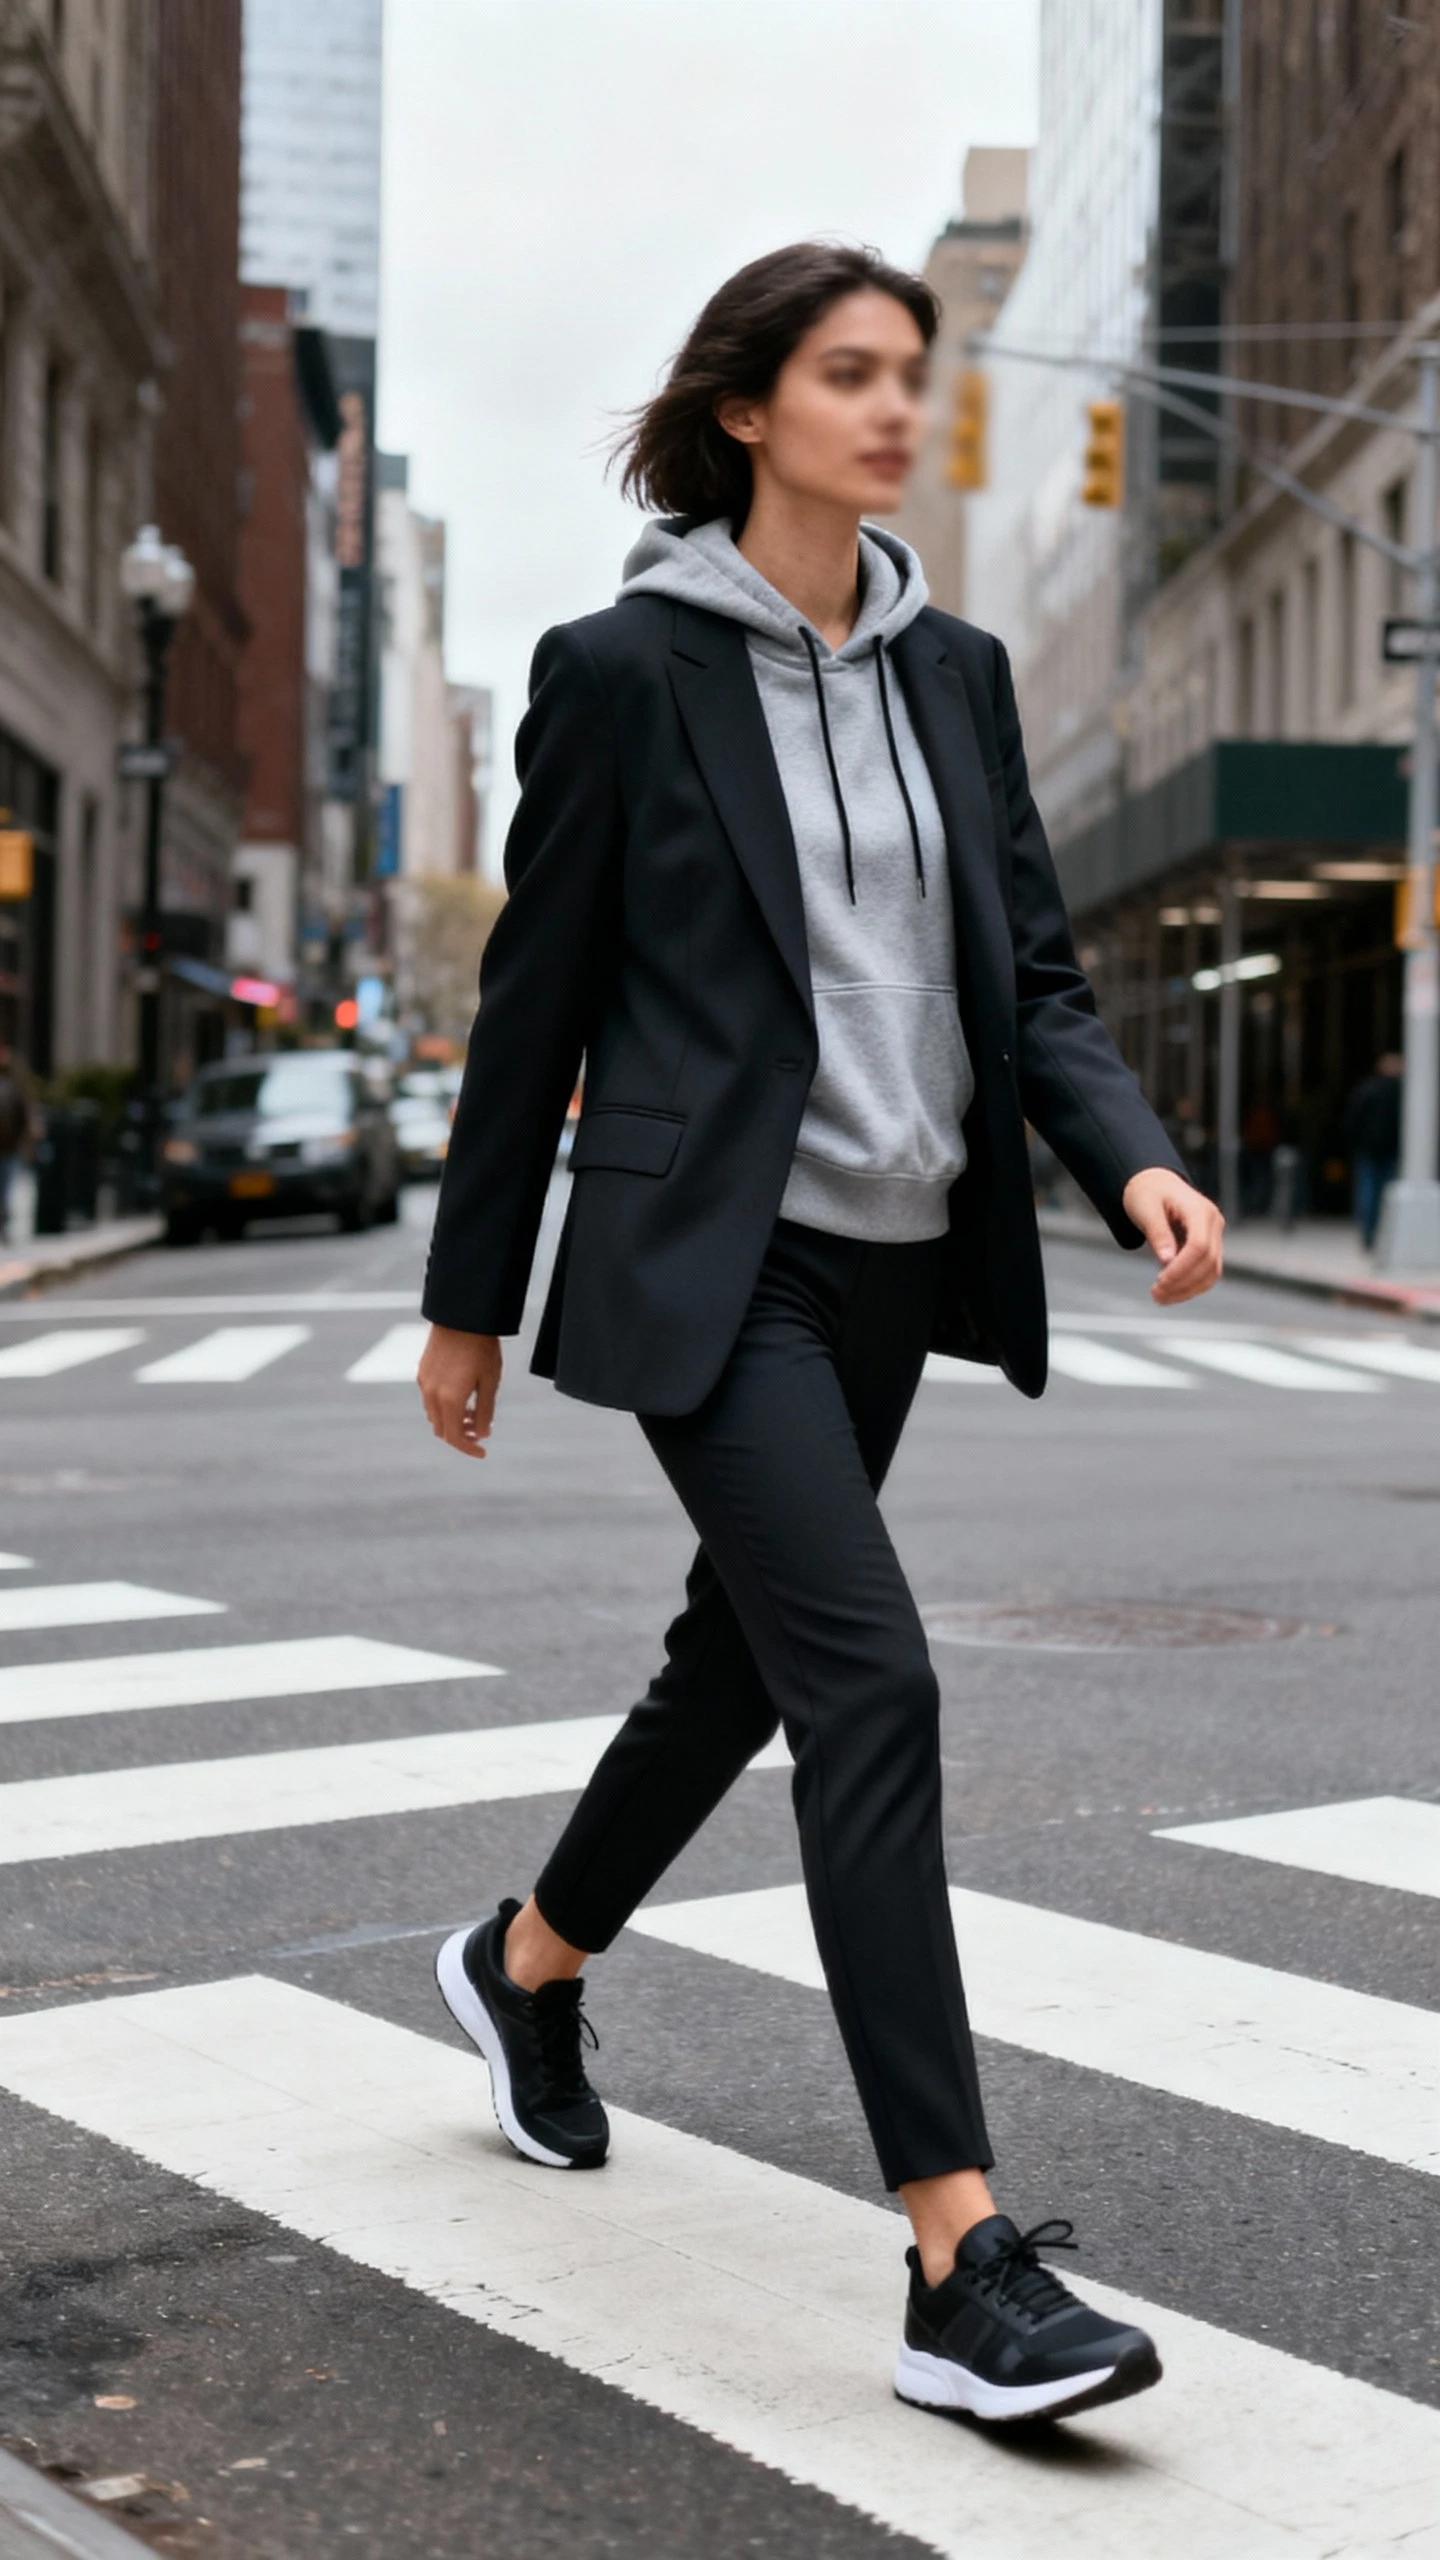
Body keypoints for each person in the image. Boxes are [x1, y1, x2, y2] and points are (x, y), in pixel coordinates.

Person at [417, 243, 1225, 2430]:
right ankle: (962, 2258)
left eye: (910, 376)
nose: (893, 409)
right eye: (849, 373)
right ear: (749, 408)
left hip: (895, 1253)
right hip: (721, 1260)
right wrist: (469, 1292)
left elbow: (1034, 972)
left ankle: (524, 1963)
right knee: (870, 1672)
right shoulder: (621, 670)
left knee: (746, 1657)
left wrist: (1128, 1150)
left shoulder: (954, 671)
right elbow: (539, 1000)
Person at [1343, 1051, 1403, 1249]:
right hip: (1390, 1150)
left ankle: (1369, 1231)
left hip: (1369, 1149)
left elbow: (1353, 1120)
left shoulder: (1367, 1089)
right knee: (1385, 1191)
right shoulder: (1403, 1092)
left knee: (1369, 1190)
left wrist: (1354, 1143)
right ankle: (1380, 1232)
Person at [0, 1043, 33, 1244]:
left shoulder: (14, 1087)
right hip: (9, 1148)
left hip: (10, 1149)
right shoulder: (13, 1087)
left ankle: (4, 1226)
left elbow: (23, 1118)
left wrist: (26, 1144)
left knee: (5, 1191)